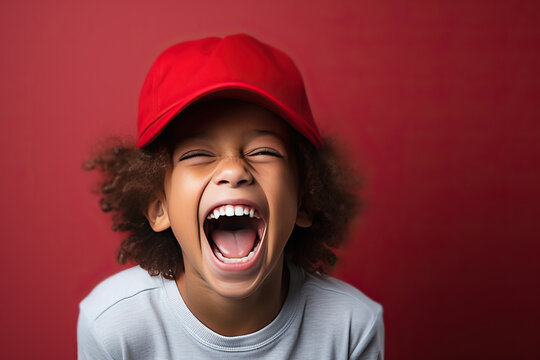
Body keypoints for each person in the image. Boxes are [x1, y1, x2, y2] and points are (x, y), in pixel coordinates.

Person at [77, 34, 384, 359]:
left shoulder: (352, 327)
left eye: (264, 151)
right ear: (158, 206)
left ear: (305, 200)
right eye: (197, 154)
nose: (234, 170)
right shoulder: (113, 326)